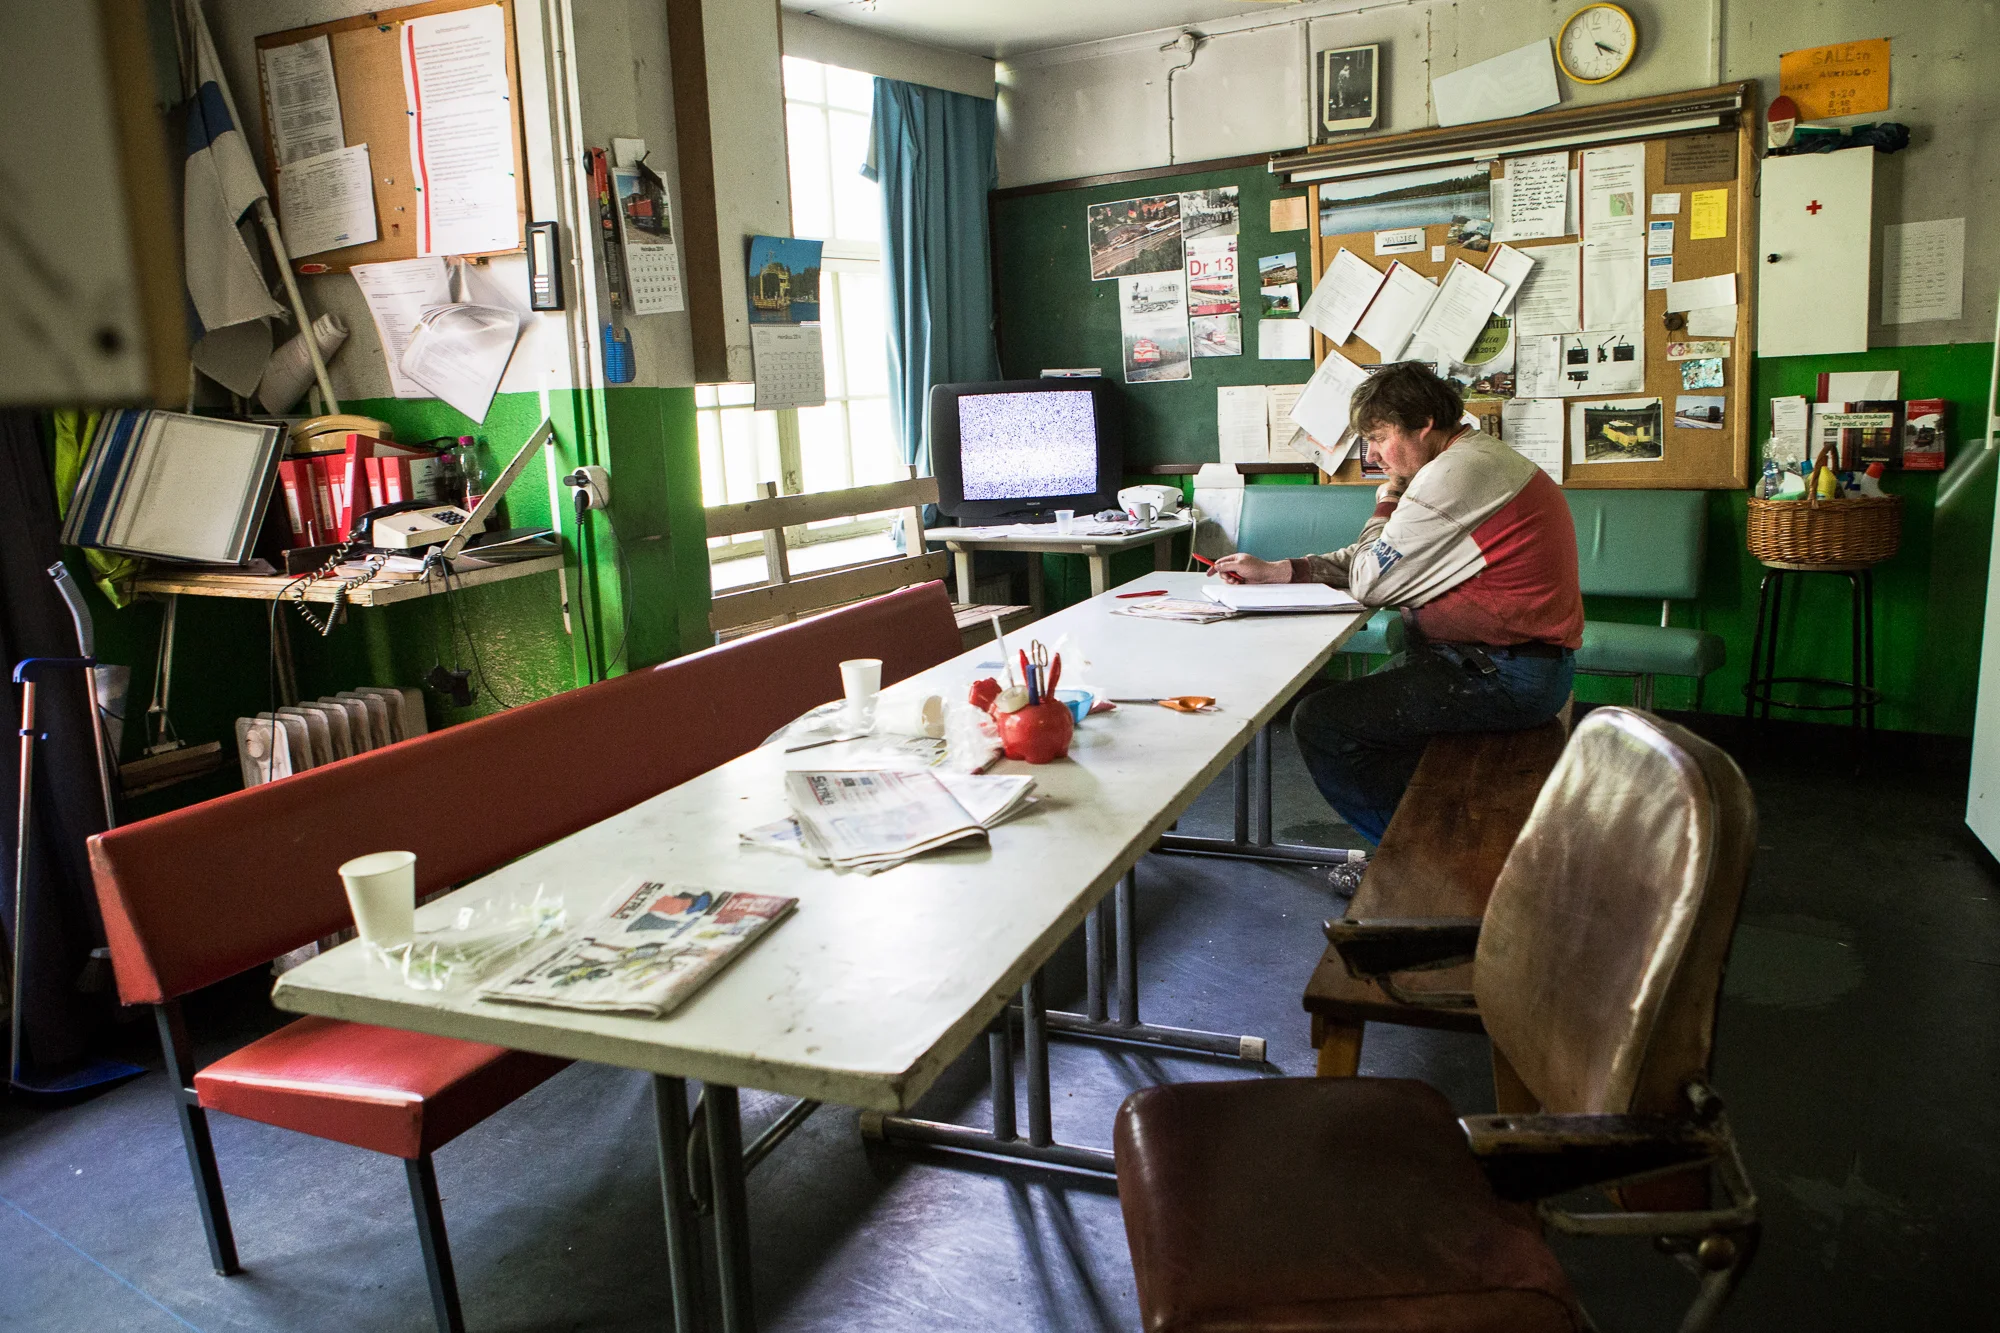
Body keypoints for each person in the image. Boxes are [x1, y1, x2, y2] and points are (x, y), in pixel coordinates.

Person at [1212, 362, 1581, 845]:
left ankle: (1413, 860)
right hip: (1494, 664)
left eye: (1379, 438)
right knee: (1367, 708)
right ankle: (1429, 842)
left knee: (1323, 723)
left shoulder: (1456, 476)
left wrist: (1386, 498)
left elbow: (1369, 581)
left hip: (1506, 677)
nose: (1372, 456)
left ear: (1424, 423)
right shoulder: (1464, 460)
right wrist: (1281, 570)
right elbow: (1375, 560)